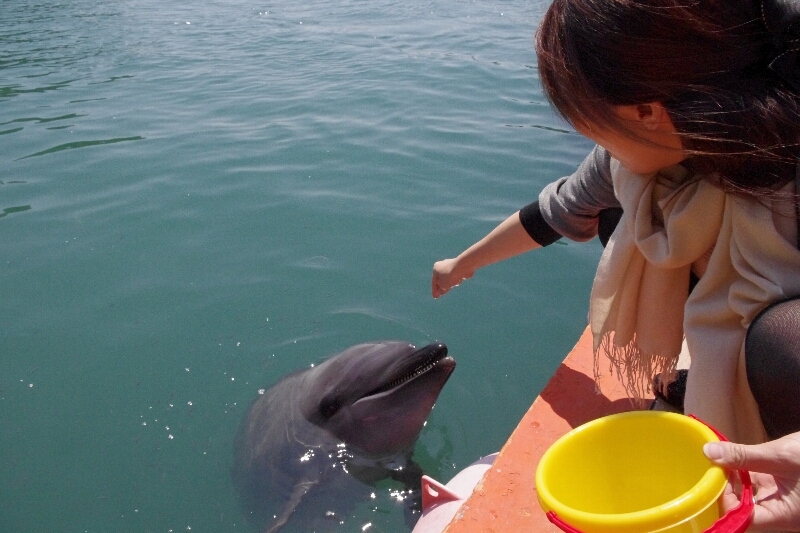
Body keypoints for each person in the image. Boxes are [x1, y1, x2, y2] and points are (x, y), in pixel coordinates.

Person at [432, 0, 800, 523]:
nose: (592, 142)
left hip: (783, 341)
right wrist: (460, 264)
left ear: (646, 112)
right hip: (744, 316)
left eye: (592, 125)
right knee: (619, 222)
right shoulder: (645, 158)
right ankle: (723, 370)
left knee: (782, 343)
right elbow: (554, 213)